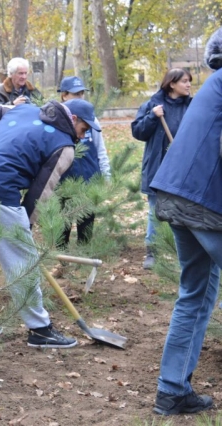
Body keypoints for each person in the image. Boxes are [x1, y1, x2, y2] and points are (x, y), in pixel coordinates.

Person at [0, 99, 100, 347]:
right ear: (73, 119)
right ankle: (40, 330)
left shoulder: (22, 109)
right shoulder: (64, 147)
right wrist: (25, 233)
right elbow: (40, 194)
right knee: (24, 264)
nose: (82, 137)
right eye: (84, 130)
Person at [149, 28, 222, 416]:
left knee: (196, 293)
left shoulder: (214, 85)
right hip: (205, 201)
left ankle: (172, 391)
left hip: (176, 194)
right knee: (195, 293)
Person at [131, 68, 192, 269]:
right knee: (155, 210)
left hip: (183, 169)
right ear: (172, 84)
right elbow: (138, 131)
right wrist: (152, 116)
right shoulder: (153, 105)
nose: (189, 84)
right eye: (184, 81)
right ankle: (152, 252)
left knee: (184, 210)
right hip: (159, 168)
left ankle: (181, 252)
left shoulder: (191, 107)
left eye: (189, 81)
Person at [57, 76, 110, 248]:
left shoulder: (92, 120)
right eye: (75, 94)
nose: (80, 97)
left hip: (88, 180)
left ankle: (84, 260)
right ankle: (62, 263)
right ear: (64, 95)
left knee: (86, 225)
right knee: (61, 226)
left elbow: (100, 150)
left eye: (82, 93)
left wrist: (105, 176)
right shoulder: (57, 121)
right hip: (64, 182)